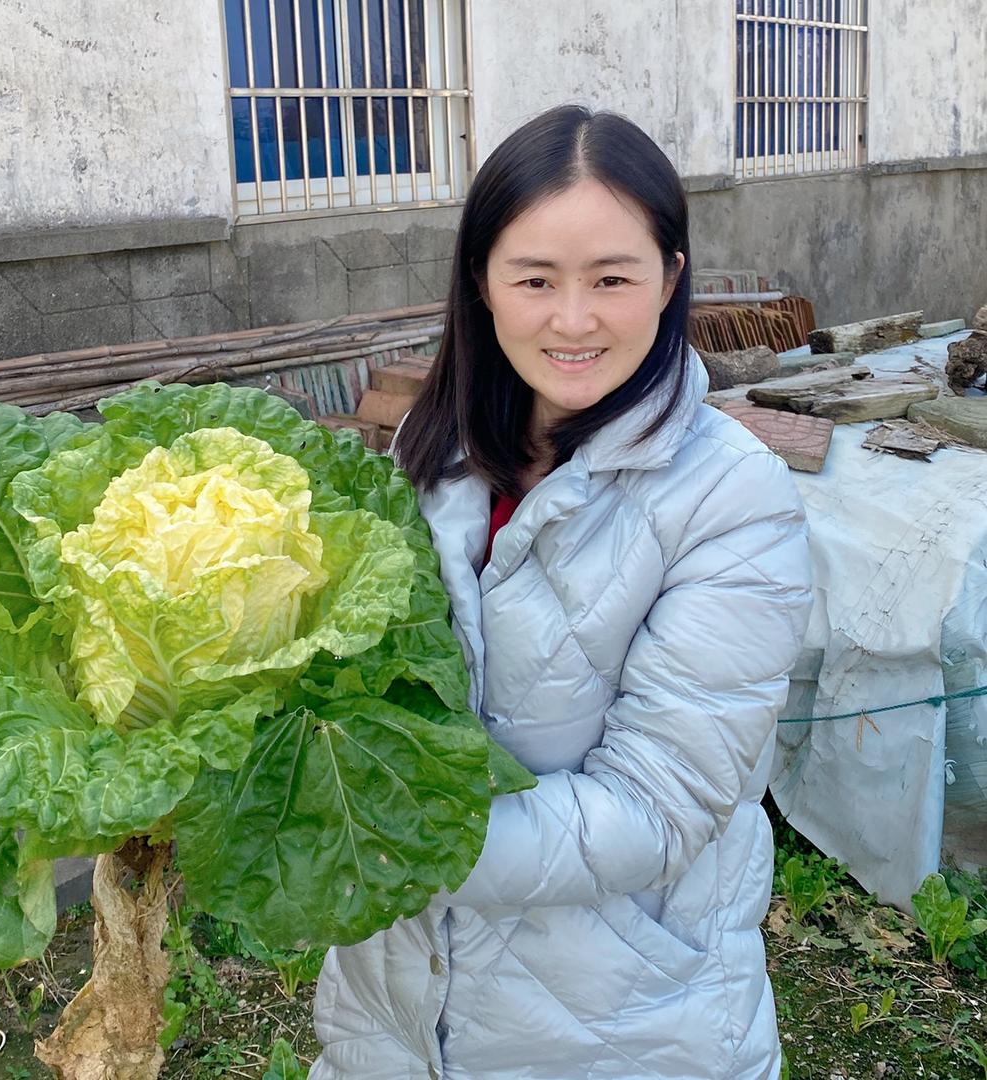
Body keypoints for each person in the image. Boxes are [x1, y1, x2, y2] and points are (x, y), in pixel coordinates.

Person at [309, 105, 813, 1080]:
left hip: (622, 1024)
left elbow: (655, 806)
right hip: (394, 1011)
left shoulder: (734, 500)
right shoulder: (430, 453)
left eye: (612, 279)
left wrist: (382, 839)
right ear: (481, 282)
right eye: (535, 278)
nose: (573, 319)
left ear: (670, 279)